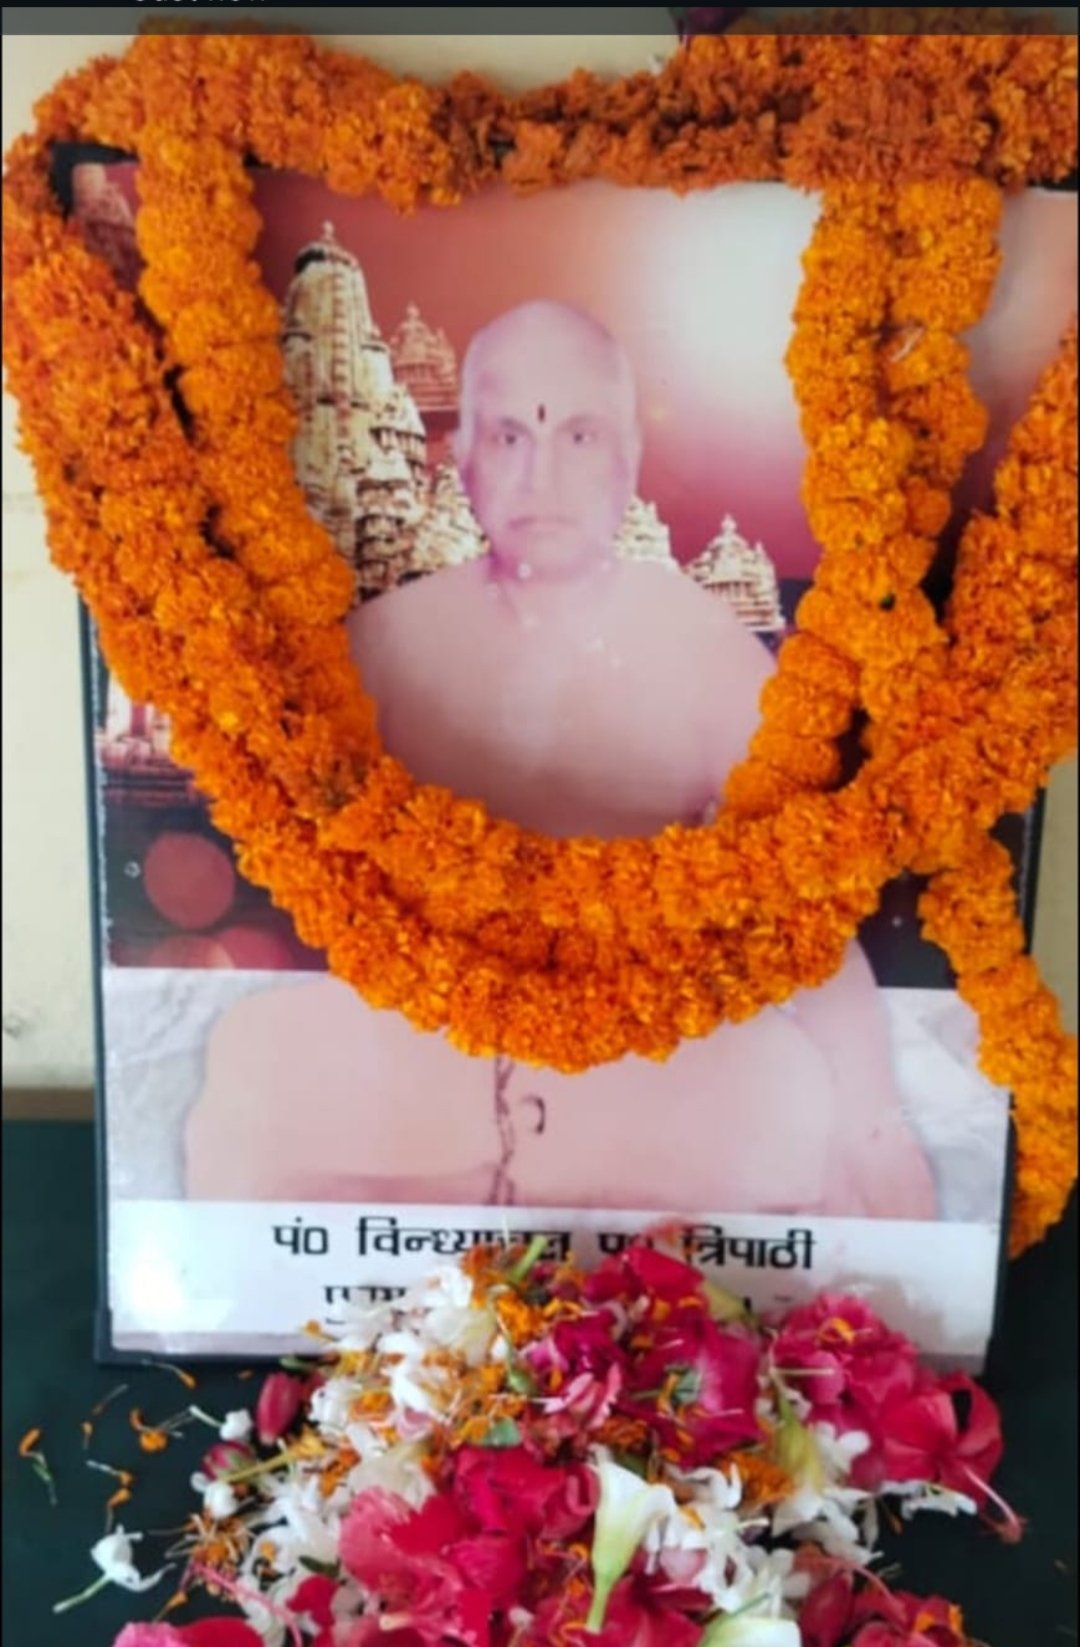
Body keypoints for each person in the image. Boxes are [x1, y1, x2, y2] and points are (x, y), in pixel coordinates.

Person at [185, 300, 937, 1219]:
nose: (541, 474)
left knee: (790, 1093)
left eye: (578, 435)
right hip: (418, 1035)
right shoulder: (379, 649)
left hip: (650, 1039)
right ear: (462, 458)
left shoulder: (706, 649)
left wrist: (874, 1117)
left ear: (629, 458)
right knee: (253, 1058)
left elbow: (801, 900)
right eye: (509, 435)